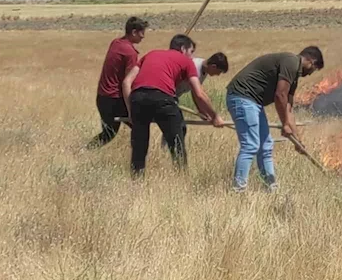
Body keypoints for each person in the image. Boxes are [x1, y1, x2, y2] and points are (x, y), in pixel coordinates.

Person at [122, 34, 225, 176]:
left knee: (139, 145)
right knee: (177, 142)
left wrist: (130, 111)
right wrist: (215, 116)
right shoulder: (186, 61)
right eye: (191, 51)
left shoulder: (150, 54)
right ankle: (181, 177)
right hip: (163, 99)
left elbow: (127, 82)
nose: (192, 56)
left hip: (137, 98)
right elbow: (199, 94)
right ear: (183, 48)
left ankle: (136, 179)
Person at [225, 46, 324, 192]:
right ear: (311, 61)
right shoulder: (291, 62)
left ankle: (271, 187)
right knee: (251, 145)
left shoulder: (294, 75)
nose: (310, 74)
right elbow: (280, 96)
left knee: (266, 145)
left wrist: (297, 140)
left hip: (254, 102)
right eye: (313, 69)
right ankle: (238, 189)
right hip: (242, 96)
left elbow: (288, 108)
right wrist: (284, 124)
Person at [86, 16, 148, 150]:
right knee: (140, 125)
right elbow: (127, 83)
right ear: (134, 32)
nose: (143, 36)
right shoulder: (130, 53)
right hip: (114, 99)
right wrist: (131, 110)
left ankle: (85, 150)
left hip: (102, 97)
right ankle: (138, 158)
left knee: (109, 133)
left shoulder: (116, 42)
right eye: (142, 33)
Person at [161, 52, 229, 149]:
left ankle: (166, 150)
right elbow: (200, 94)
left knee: (174, 125)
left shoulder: (203, 72)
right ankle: (167, 150)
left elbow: (195, 91)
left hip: (173, 97)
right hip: (166, 94)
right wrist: (214, 116)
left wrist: (202, 111)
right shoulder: (195, 66)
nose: (217, 75)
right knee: (177, 126)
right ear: (213, 66)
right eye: (218, 72)